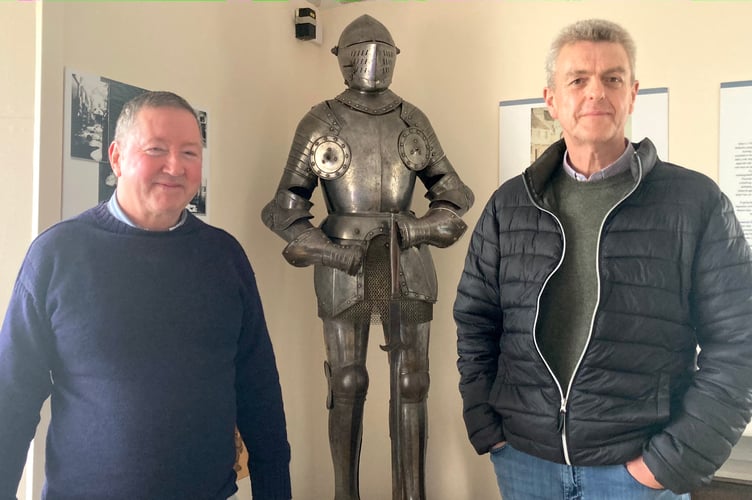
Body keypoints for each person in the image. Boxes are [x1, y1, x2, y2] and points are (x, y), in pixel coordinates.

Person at [454, 18, 752, 500]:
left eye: (612, 79)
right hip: (526, 463)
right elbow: (475, 323)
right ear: (551, 99)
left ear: (632, 94)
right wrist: (487, 426)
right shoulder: (509, 206)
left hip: (636, 472)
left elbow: (740, 345)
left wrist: (670, 462)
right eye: (577, 80)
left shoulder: (696, 203)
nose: (596, 92)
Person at [0, 91, 292, 499]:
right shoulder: (57, 254)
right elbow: (12, 399)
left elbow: (259, 390)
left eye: (190, 152)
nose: (175, 166)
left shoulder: (225, 257)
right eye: (157, 149)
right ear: (116, 157)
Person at [261, 14, 473, 500]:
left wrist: (417, 227)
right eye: (363, 52)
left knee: (413, 381)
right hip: (346, 262)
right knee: (349, 380)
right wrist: (332, 255)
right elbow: (284, 210)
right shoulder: (320, 120)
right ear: (342, 59)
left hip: (407, 257)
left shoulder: (412, 118)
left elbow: (454, 196)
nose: (372, 61)